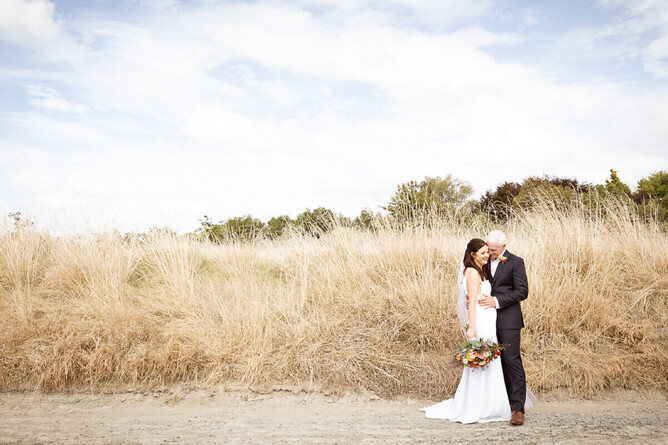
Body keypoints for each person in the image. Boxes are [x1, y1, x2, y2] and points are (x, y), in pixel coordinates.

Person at [420, 238, 512, 423]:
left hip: (488, 319)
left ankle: (490, 403)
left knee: (490, 359)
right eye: (483, 253)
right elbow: (471, 305)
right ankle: (478, 405)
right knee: (482, 359)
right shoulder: (471, 272)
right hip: (480, 321)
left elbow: (477, 296)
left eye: (488, 252)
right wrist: (472, 327)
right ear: (472, 255)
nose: (488, 255)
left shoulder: (481, 271)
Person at [478, 230, 529, 426]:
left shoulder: (516, 262)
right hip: (487, 321)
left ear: (503, 247)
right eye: (487, 249)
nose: (489, 253)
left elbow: (522, 291)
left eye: (493, 250)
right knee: (492, 362)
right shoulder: (482, 262)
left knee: (511, 360)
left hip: (509, 322)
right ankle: (499, 404)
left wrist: (497, 301)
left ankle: (518, 409)